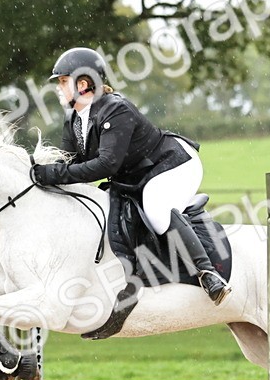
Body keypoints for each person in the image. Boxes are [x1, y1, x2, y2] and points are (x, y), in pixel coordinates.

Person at [30, 47, 230, 304]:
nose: (58, 87)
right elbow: (70, 162)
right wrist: (42, 169)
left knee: (157, 210)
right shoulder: (74, 118)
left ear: (82, 84)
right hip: (137, 177)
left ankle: (208, 274)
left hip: (173, 165)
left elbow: (105, 166)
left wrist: (54, 173)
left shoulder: (116, 110)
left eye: (62, 81)